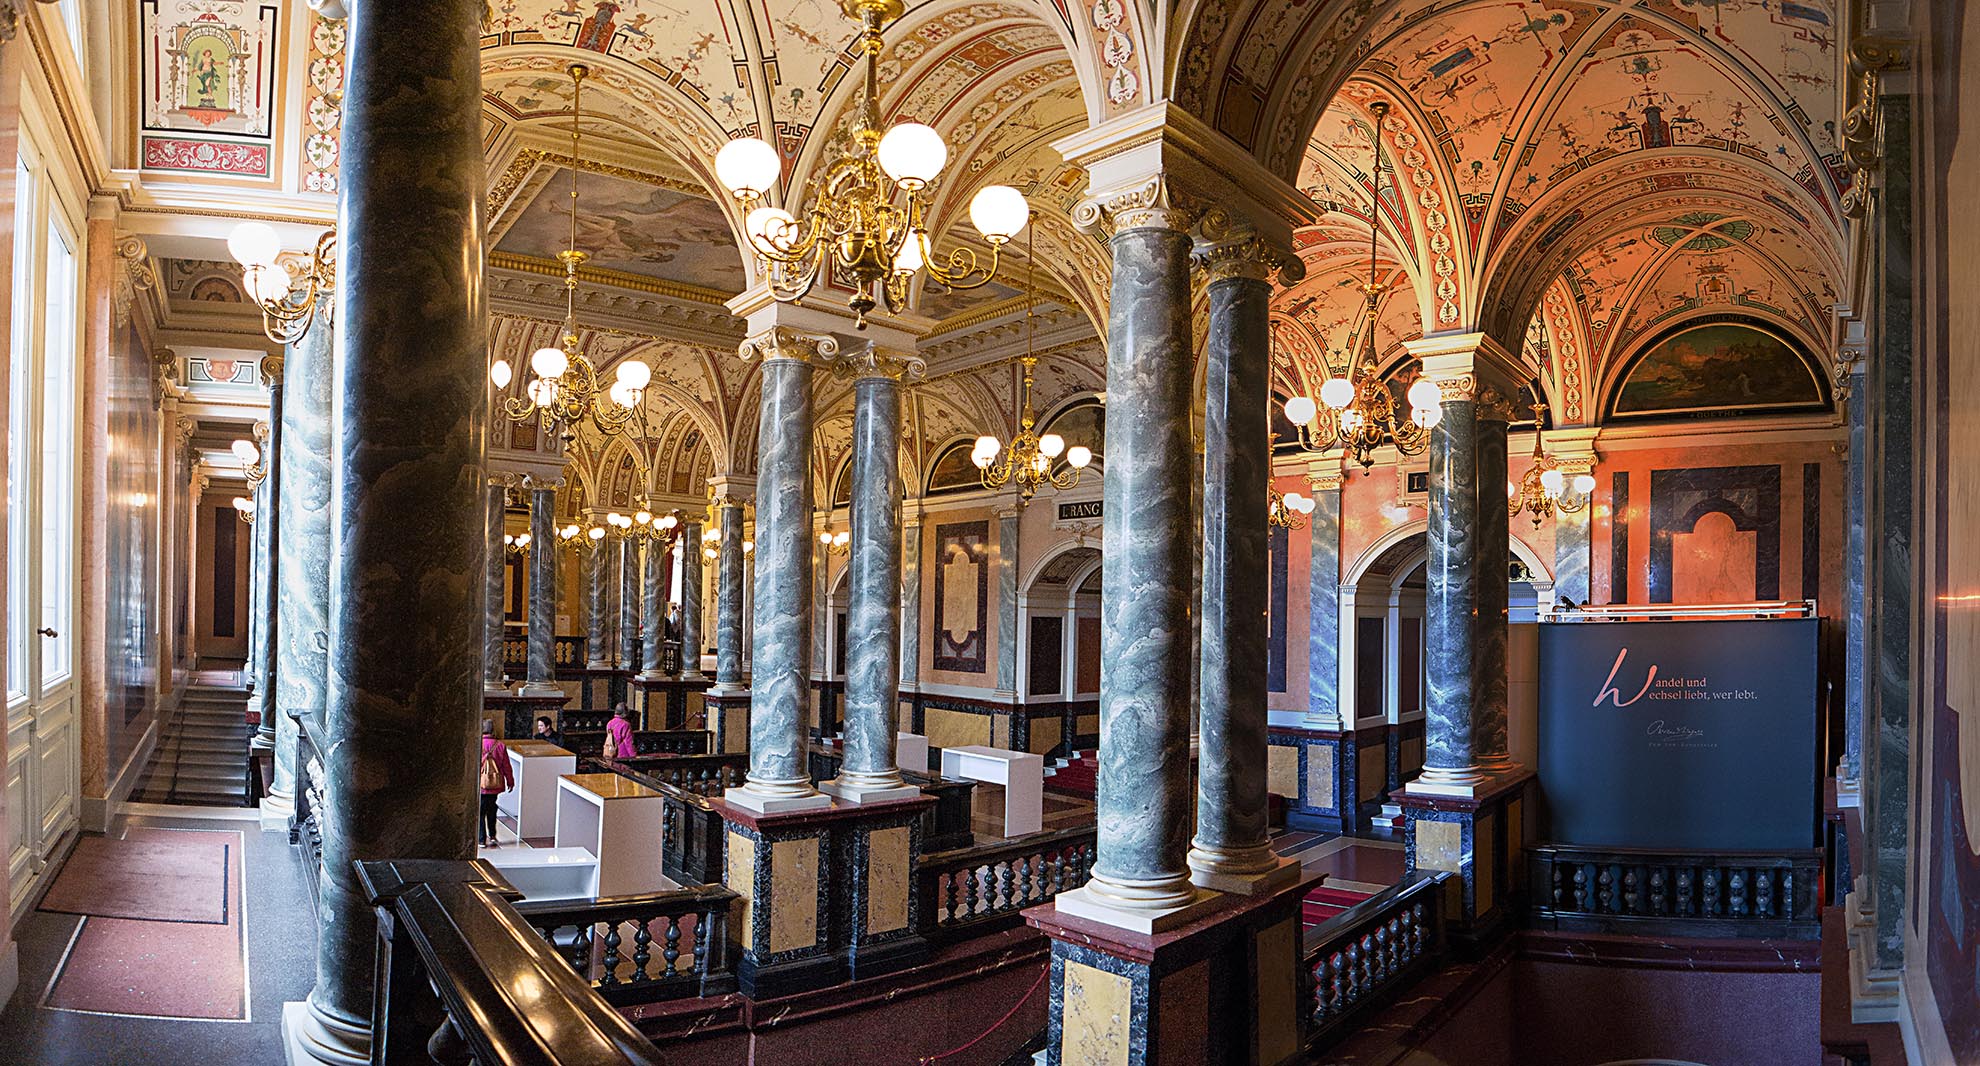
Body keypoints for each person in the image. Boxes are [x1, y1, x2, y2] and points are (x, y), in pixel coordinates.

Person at [478, 720, 514, 848]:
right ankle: (492, 835)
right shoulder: (500, 745)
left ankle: (481, 839)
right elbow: (506, 766)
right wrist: (510, 781)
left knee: (480, 812)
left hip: (481, 785)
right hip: (495, 785)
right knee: (492, 809)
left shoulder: (477, 744)